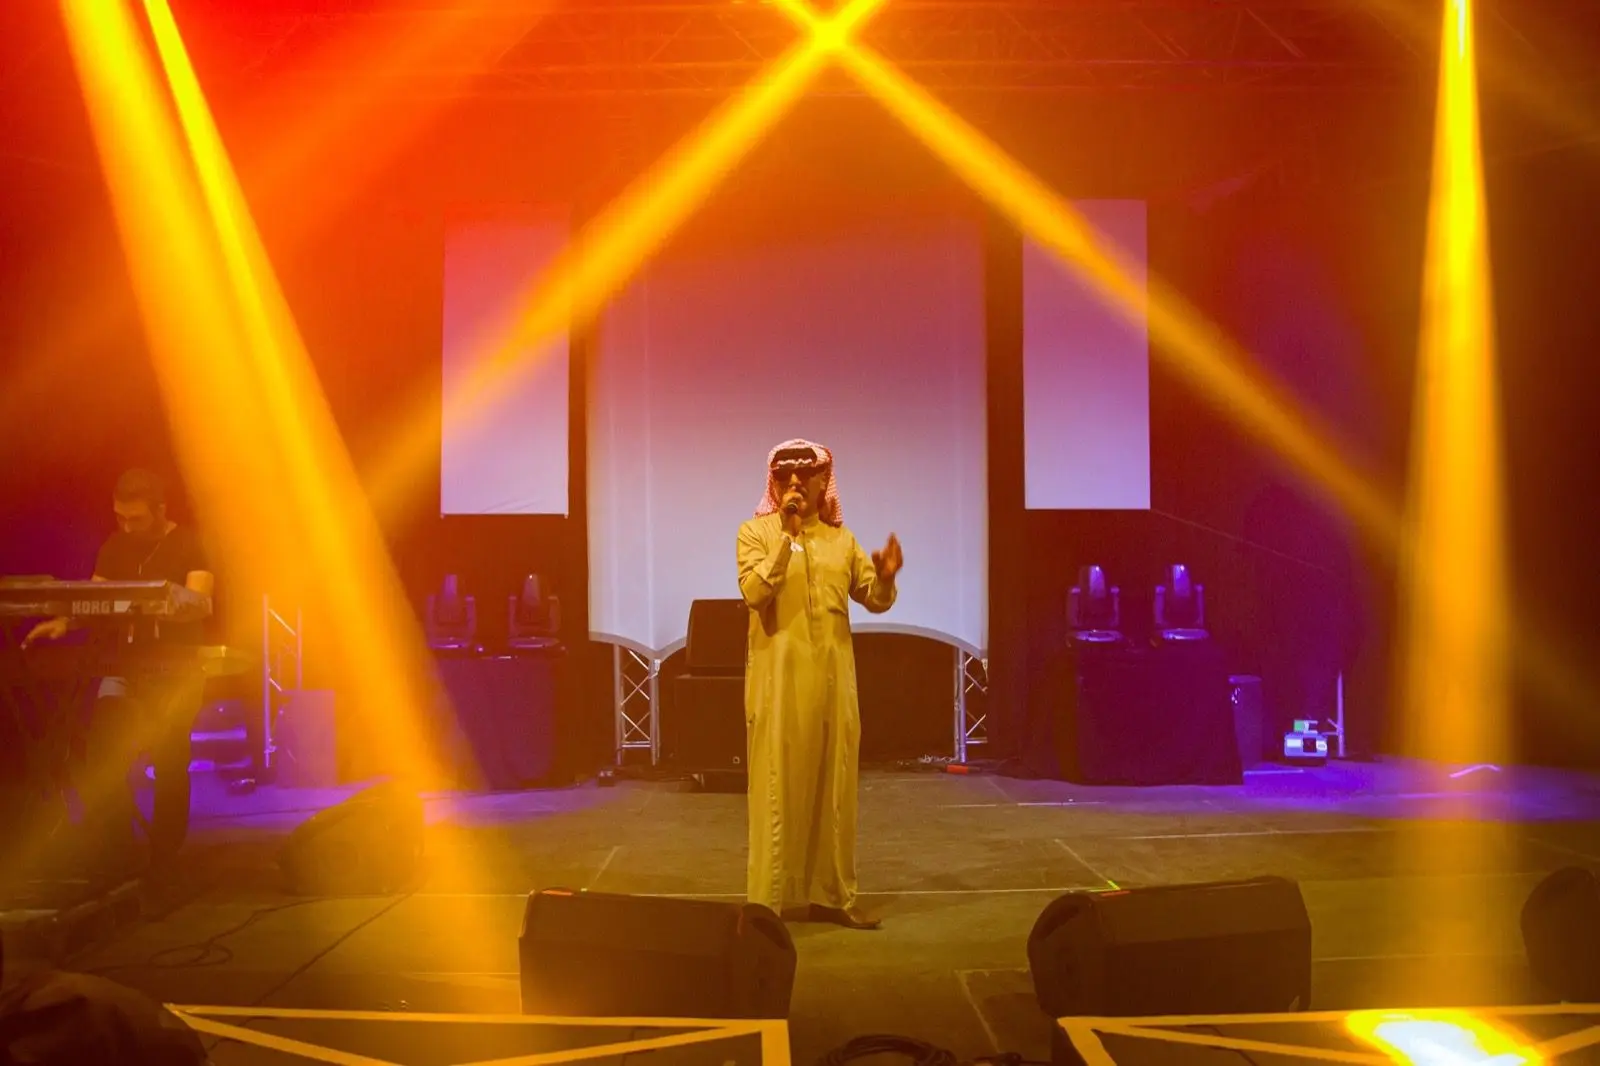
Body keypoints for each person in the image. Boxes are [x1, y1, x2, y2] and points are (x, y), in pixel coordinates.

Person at [735, 439, 903, 929]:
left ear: (822, 482)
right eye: (783, 476)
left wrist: (886, 577)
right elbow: (754, 593)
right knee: (775, 791)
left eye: (804, 476)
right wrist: (786, 539)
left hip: (833, 684)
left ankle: (832, 897)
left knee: (835, 787)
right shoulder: (755, 533)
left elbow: (874, 598)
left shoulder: (841, 540)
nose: (794, 483)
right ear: (773, 484)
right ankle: (767, 906)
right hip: (777, 687)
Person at [23, 468, 214, 885]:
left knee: (169, 759)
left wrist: (164, 603)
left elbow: (201, 600)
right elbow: (96, 600)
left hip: (175, 669)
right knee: (103, 753)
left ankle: (164, 858)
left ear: (160, 510)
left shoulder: (188, 543)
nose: (127, 526)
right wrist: (65, 623)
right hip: (123, 667)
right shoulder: (115, 546)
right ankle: (119, 850)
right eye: (120, 517)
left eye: (136, 518)